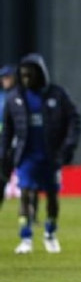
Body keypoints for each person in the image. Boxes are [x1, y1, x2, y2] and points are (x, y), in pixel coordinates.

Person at [1, 53, 81, 254]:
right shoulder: (15, 98)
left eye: (30, 75)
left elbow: (74, 120)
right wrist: (4, 154)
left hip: (51, 155)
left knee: (52, 197)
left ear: (40, 74)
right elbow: (7, 130)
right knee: (26, 194)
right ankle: (25, 237)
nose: (26, 79)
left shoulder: (57, 95)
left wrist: (68, 145)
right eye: (23, 75)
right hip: (26, 156)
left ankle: (50, 233)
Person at [0, 64, 17, 206]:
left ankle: (30, 216)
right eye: (2, 78)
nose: (4, 80)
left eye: (7, 77)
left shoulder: (19, 96)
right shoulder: (1, 97)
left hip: (18, 142)